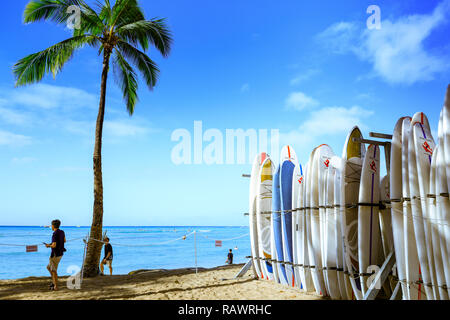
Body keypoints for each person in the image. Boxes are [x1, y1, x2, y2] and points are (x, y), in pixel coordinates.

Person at [45, 219, 66, 291]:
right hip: (60, 254)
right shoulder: (62, 232)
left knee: (53, 271)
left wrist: (48, 246)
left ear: (53, 226)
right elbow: (64, 241)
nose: (51, 226)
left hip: (55, 254)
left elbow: (54, 245)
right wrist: (51, 244)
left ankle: (56, 286)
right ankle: (54, 281)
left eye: (51, 225)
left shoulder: (54, 234)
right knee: (48, 267)